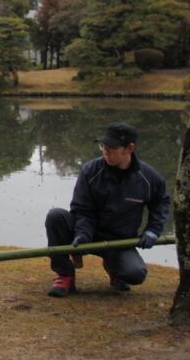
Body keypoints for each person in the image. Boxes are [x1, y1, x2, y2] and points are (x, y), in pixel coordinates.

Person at [45, 122, 170, 297]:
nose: (105, 151)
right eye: (103, 146)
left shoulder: (150, 178)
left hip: (119, 240)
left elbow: (161, 204)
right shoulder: (90, 171)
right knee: (55, 216)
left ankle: (115, 270)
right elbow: (82, 209)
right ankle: (65, 275)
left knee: (135, 274)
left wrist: (152, 230)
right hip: (86, 233)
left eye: (111, 147)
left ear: (130, 148)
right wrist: (82, 234)